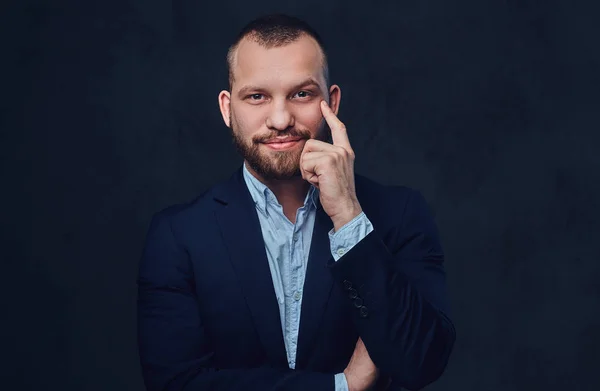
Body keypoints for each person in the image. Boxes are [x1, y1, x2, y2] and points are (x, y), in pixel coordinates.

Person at [137, 13, 455, 391]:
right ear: (227, 109)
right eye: (257, 96)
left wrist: (349, 217)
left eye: (301, 94)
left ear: (331, 102)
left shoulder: (399, 214)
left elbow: (421, 362)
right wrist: (343, 387)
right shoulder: (178, 235)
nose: (280, 118)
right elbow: (176, 384)